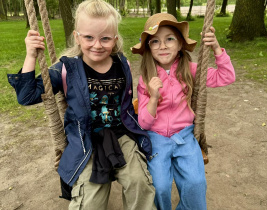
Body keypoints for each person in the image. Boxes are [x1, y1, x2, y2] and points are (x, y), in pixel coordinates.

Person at [7, 0, 157, 209]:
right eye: (89, 37)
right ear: (77, 37)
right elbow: (26, 95)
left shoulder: (122, 64)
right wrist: (31, 56)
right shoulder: (66, 69)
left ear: (114, 39)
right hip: (86, 139)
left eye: (105, 38)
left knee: (140, 182)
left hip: (121, 135)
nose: (97, 45)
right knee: (90, 200)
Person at [131, 13, 235, 210]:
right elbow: (144, 123)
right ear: (148, 49)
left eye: (169, 39)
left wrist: (216, 48)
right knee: (159, 186)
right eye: (155, 41)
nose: (162, 46)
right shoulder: (146, 78)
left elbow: (226, 77)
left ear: (180, 44)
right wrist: (153, 97)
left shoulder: (190, 69)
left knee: (195, 183)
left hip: (185, 136)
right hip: (156, 138)